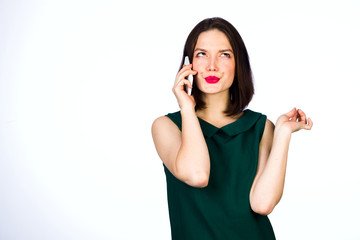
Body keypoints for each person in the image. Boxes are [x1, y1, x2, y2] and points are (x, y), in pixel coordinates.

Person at [151, 17, 313, 240]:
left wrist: (282, 134)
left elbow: (262, 203)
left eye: (224, 54)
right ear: (188, 64)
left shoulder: (260, 127)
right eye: (202, 54)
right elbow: (197, 174)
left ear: (239, 65)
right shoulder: (167, 126)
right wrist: (187, 108)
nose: (212, 65)